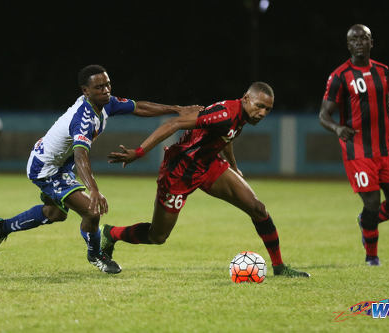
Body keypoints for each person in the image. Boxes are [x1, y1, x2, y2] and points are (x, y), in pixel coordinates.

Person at [0, 64, 202, 274]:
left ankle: (1, 227)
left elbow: (139, 107)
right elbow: (81, 156)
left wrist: (177, 109)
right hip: (46, 168)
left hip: (58, 164)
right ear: (85, 91)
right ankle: (96, 255)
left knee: (55, 213)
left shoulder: (106, 103)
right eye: (99, 87)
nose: (106, 90)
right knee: (91, 211)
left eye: (108, 85)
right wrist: (94, 190)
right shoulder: (83, 118)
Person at [104, 82, 310, 278]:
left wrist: (234, 167)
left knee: (257, 208)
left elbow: (225, 138)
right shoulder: (225, 114)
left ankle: (279, 267)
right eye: (260, 106)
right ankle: (111, 234)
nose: (263, 113)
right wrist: (139, 152)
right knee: (157, 236)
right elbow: (174, 123)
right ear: (247, 98)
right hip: (180, 170)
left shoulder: (241, 115)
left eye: (268, 109)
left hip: (208, 164)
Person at [319, 24, 389, 266]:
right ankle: (372, 257)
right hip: (358, 151)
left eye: (364, 38)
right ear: (348, 45)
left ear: (372, 42)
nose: (359, 42)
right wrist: (338, 128)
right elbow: (323, 115)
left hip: (385, 150)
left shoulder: (383, 70)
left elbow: (386, 101)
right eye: (354, 39)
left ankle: (366, 221)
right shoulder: (339, 76)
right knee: (371, 202)